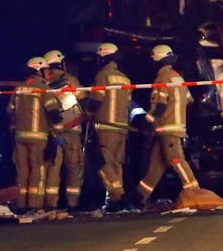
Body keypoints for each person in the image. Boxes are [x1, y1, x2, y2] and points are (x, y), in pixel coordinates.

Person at [124, 45, 199, 209]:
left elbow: (159, 106)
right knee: (156, 165)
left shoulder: (161, 79)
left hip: (167, 129)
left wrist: (147, 122)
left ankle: (196, 193)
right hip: (173, 128)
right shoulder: (177, 77)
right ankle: (139, 196)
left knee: (176, 160)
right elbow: (189, 100)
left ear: (157, 60)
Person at [7, 56, 63, 213]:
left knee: (22, 171)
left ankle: (21, 204)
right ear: (40, 70)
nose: (48, 73)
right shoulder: (43, 87)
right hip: (39, 138)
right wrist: (58, 132)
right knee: (38, 172)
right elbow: (54, 113)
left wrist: (13, 130)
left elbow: (10, 111)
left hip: (19, 138)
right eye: (46, 70)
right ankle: (35, 205)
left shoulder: (19, 88)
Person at [84, 43, 132, 212]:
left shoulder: (102, 76)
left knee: (102, 163)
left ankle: (118, 195)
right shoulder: (125, 78)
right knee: (116, 164)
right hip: (122, 128)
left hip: (106, 127)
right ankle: (117, 199)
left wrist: (88, 113)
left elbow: (97, 99)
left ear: (103, 58)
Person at [43, 49, 86, 211]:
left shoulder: (44, 82)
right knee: (73, 166)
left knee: (53, 166)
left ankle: (51, 203)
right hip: (73, 131)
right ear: (61, 63)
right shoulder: (71, 81)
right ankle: (72, 203)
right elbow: (83, 102)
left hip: (53, 132)